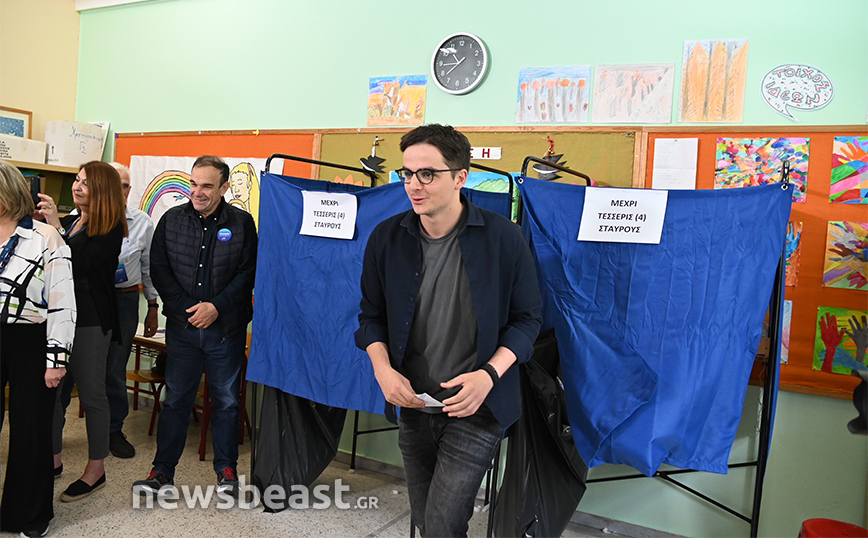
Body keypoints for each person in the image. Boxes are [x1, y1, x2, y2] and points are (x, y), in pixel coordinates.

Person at [355, 124, 542, 537]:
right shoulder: (386, 239)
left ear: (460, 177)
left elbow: (527, 321)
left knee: (443, 524)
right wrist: (383, 371)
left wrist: (488, 375)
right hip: (414, 403)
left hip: (477, 405)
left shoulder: (504, 238)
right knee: (427, 522)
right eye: (407, 173)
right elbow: (371, 318)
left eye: (427, 174)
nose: (413, 185)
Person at [133, 155, 257, 498]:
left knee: (227, 401)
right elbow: (160, 270)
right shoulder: (171, 220)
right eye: (193, 183)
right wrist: (188, 309)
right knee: (176, 400)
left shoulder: (242, 223)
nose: (197, 192)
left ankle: (227, 473)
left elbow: (248, 272)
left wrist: (216, 308)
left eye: (206, 185)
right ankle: (162, 472)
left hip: (225, 331)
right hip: (183, 331)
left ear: (224, 187)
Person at [40, 161, 128, 503]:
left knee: (92, 395)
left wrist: (53, 227)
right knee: (51, 392)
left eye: (86, 183)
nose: (77, 187)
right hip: (59, 319)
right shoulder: (70, 222)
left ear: (102, 190)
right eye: (76, 181)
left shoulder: (110, 229)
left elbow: (75, 263)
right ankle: (53, 460)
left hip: (91, 321)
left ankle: (96, 469)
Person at [0, 161, 76, 537]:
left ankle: (29, 516)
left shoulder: (46, 237)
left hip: (31, 339)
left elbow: (63, 303)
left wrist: (56, 359)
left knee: (30, 429)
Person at [103, 162, 159, 458]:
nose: (121, 190)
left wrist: (152, 305)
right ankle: (53, 434)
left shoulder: (142, 223)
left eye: (125, 185)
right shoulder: (84, 216)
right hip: (88, 300)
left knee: (115, 368)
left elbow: (148, 268)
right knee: (73, 367)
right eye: (115, 184)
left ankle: (113, 430)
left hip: (124, 301)